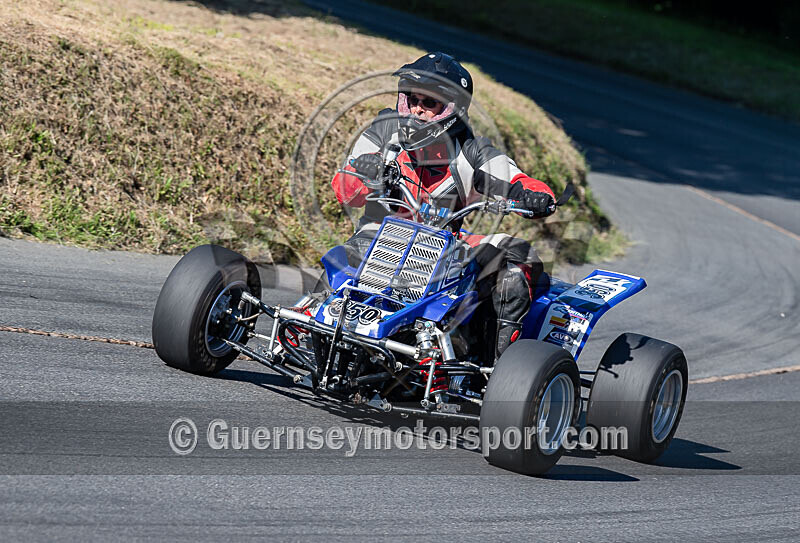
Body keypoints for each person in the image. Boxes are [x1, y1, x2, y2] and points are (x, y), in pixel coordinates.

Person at [331, 52, 555, 360]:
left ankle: (498, 371)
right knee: (338, 266)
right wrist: (365, 173)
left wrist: (535, 195)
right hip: (375, 241)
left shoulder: (471, 150)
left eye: (429, 103)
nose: (417, 111)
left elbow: (514, 177)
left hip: (443, 251)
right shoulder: (384, 131)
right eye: (412, 100)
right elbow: (345, 191)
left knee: (519, 257)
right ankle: (313, 325)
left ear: (451, 109)